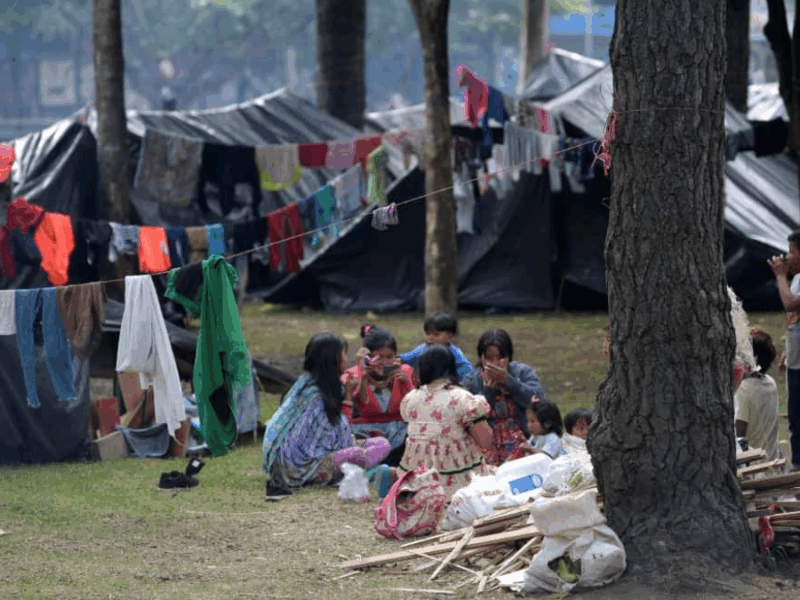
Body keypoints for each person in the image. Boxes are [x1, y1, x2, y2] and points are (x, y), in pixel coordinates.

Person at [261, 332, 390, 498]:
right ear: (333, 359)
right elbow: (334, 440)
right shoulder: (314, 395)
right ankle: (364, 474)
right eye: (344, 353)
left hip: (321, 452)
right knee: (356, 455)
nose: (346, 358)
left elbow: (337, 433)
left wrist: (349, 394)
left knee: (382, 444)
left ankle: (356, 473)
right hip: (299, 466)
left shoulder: (323, 385)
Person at [374, 344, 494, 500]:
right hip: (454, 477)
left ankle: (398, 477)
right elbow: (485, 440)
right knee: (493, 475)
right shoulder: (463, 399)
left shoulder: (411, 399)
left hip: (418, 472)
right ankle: (399, 478)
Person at [461, 328, 545, 465]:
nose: (494, 364)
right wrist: (488, 392)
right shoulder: (471, 380)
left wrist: (509, 382)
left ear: (509, 357)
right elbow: (470, 415)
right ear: (481, 358)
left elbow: (537, 400)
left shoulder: (522, 373)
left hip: (521, 438)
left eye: (500, 358)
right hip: (486, 442)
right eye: (489, 358)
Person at [341, 324, 416, 466]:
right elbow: (358, 408)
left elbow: (416, 410)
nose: (385, 363)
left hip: (398, 432)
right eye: (379, 357)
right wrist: (363, 378)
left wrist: (407, 384)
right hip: (365, 432)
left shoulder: (405, 372)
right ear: (368, 357)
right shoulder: (353, 375)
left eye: (390, 357)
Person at [768, 234, 800, 471]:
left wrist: (780, 276)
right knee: (795, 419)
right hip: (796, 360)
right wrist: (786, 352)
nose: (788, 257)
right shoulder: (797, 278)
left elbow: (790, 304)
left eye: (791, 251)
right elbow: (793, 318)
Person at [734, 328, 781, 462]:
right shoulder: (771, 384)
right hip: (771, 461)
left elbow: (740, 438)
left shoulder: (743, 389)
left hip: (755, 466)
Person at [399, 312, 473, 380]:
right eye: (427, 334)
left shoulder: (455, 355)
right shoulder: (424, 349)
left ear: (451, 337)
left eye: (436, 334)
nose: (430, 337)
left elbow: (468, 374)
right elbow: (405, 358)